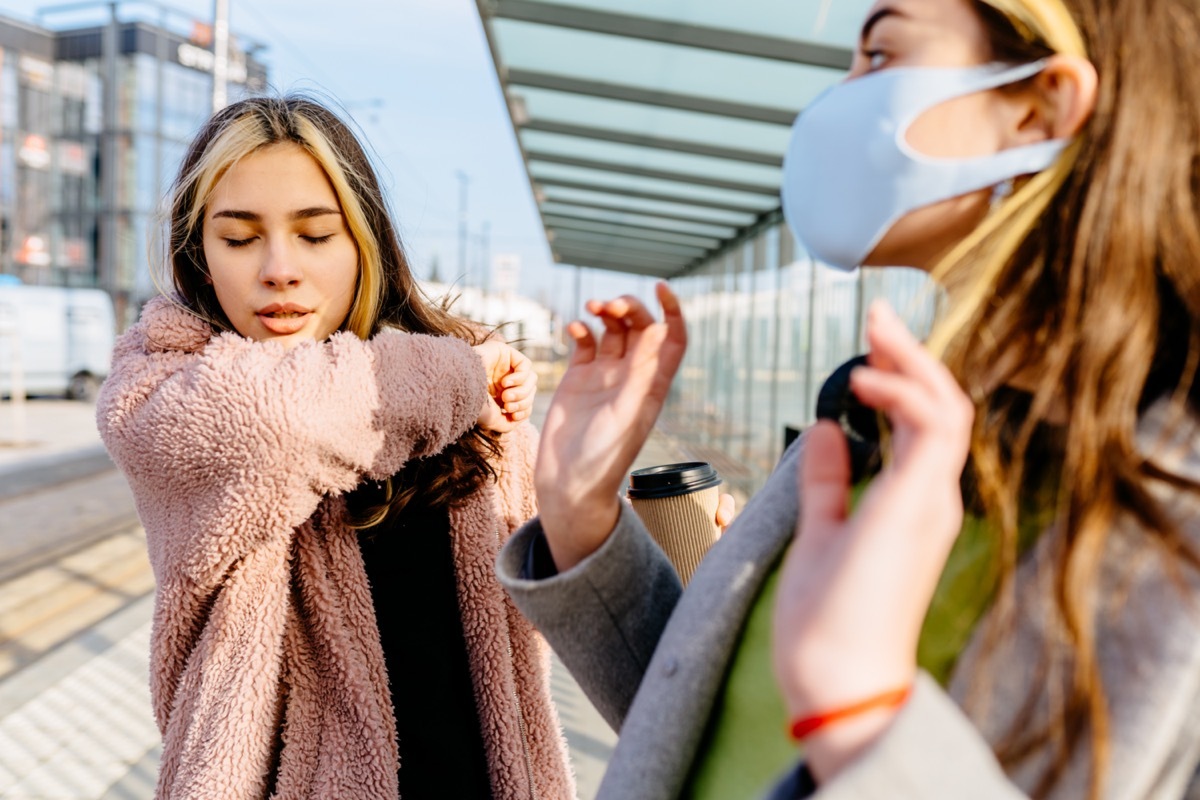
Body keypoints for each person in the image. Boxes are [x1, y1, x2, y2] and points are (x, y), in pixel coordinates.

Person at [496, 0, 1200, 798]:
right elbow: (711, 729)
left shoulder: (1170, 511)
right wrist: (581, 514)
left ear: (1039, 109)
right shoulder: (871, 422)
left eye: (880, 55)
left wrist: (867, 726)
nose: (836, 99)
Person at [96, 96, 574, 799]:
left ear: (364, 243)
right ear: (199, 258)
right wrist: (466, 370)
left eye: (316, 235)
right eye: (239, 238)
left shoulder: (469, 413)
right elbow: (280, 421)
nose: (279, 269)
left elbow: (572, 575)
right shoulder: (161, 389)